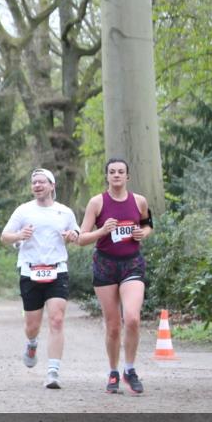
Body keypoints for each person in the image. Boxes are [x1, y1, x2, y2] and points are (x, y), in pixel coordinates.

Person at [77, 158, 153, 395]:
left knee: (132, 318)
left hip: (132, 264)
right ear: (107, 176)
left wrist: (144, 233)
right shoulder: (97, 202)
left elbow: (148, 223)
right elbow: (81, 238)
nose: (117, 175)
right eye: (112, 172)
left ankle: (129, 370)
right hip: (105, 265)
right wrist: (103, 231)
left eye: (121, 172)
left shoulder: (139, 201)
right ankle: (113, 371)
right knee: (112, 327)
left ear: (127, 177)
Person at [0, 169, 80, 389]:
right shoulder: (23, 210)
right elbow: (5, 236)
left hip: (57, 270)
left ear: (52, 185)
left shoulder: (64, 212)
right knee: (32, 325)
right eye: (33, 182)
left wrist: (72, 236)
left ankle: (53, 372)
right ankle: (32, 342)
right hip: (30, 271)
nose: (37, 185)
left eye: (41, 182)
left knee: (56, 319)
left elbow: (77, 234)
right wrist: (19, 236)